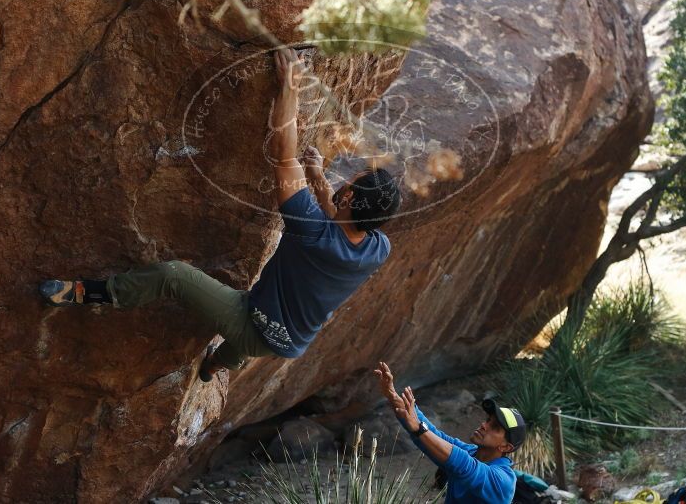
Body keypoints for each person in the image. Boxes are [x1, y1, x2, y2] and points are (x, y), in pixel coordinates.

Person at [39, 48, 401, 382]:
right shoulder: (377, 248)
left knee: (174, 276)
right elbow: (338, 217)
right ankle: (215, 365)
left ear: (349, 195)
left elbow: (284, 155)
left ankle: (91, 293)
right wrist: (319, 176)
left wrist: (289, 88)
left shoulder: (312, 229)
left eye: (349, 183)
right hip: (290, 339)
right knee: (243, 340)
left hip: (256, 322)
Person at [373, 362, 526, 504]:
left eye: (495, 427)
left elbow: (465, 466)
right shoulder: (472, 451)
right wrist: (393, 396)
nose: (484, 425)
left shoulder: (502, 481)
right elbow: (436, 437)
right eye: (488, 420)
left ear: (506, 447)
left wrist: (419, 429)